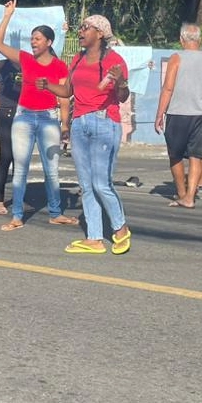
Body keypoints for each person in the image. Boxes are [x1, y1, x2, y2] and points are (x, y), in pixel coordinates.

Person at [0, 0, 75, 231]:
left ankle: (55, 212)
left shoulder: (59, 66)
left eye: (37, 39)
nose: (33, 42)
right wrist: (8, 15)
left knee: (52, 169)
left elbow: (65, 96)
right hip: (24, 117)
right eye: (32, 38)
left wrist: (65, 125)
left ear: (49, 42)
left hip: (49, 119)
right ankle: (17, 215)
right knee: (21, 167)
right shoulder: (26, 59)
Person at [59, 16, 132, 254]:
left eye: (85, 28)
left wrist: (120, 80)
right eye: (80, 28)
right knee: (86, 185)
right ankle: (95, 238)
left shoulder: (115, 60)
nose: (80, 31)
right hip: (80, 123)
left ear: (100, 33)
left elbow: (122, 97)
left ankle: (121, 229)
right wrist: (47, 86)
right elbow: (68, 90)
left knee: (102, 184)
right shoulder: (77, 59)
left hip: (104, 122)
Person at [154, 23, 202, 208]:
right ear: (199, 40)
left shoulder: (176, 57)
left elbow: (168, 87)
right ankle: (190, 197)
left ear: (182, 39)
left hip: (177, 112)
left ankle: (182, 193)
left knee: (175, 155)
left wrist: (159, 114)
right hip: (201, 114)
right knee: (197, 157)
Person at [0, 49, 22, 216]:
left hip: (24, 113)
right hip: (6, 112)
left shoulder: (27, 64)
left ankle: (18, 199)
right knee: (6, 156)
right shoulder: (4, 65)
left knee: (20, 158)